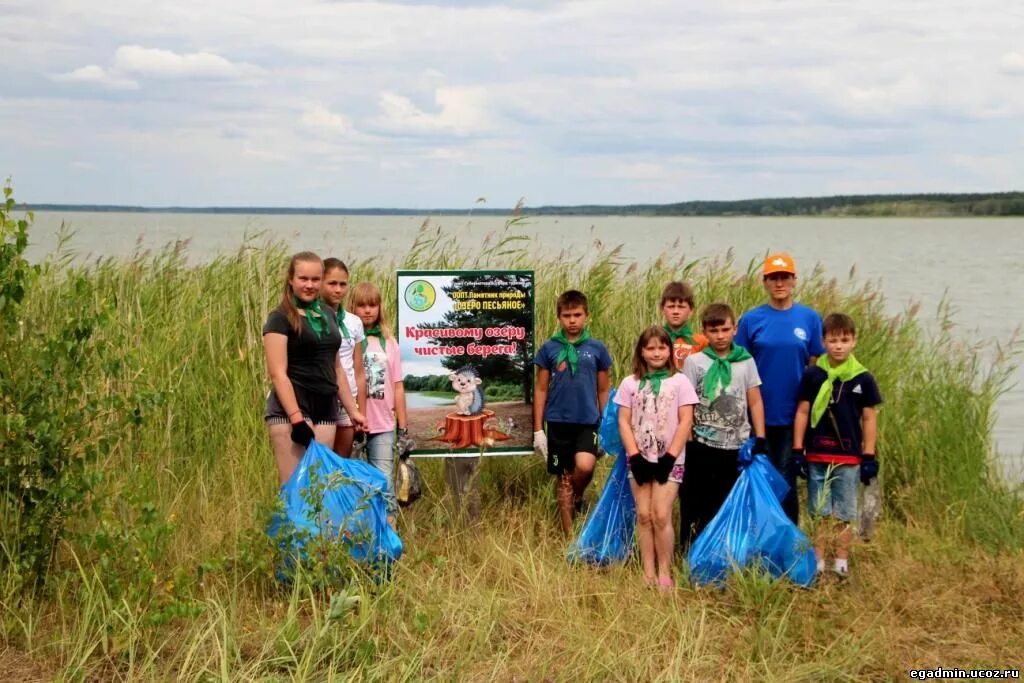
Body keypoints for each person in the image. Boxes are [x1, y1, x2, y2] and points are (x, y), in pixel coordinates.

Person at [735, 253, 825, 523]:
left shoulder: (809, 318)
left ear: (794, 280)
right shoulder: (752, 320)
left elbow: (813, 364)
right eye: (773, 278)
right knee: (759, 477)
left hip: (793, 416)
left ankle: (788, 541)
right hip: (757, 415)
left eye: (784, 277)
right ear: (765, 282)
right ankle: (759, 536)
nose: (779, 283)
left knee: (786, 479)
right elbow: (740, 365)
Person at [262, 252, 366, 485]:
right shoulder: (279, 318)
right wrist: (296, 419)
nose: (310, 285)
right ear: (291, 279)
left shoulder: (328, 314)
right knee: (296, 488)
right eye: (303, 279)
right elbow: (277, 373)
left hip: (325, 408)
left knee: (319, 489)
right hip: (291, 409)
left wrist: (353, 410)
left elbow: (337, 367)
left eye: (315, 279)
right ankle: (290, 524)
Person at [792, 313, 882, 578]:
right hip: (818, 454)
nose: (839, 346)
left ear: (854, 341)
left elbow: (868, 418)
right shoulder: (813, 374)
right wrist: (798, 450)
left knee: (844, 512)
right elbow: (802, 412)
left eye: (844, 340)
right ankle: (818, 562)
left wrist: (869, 455)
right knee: (820, 511)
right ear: (823, 342)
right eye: (833, 340)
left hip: (849, 457)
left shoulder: (863, 378)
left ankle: (841, 563)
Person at [616, 326, 697, 589]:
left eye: (662, 347)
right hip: (639, 458)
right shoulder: (630, 383)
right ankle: (647, 572)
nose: (656, 353)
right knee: (643, 514)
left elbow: (686, 421)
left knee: (661, 514)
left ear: (669, 350)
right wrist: (634, 455)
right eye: (650, 348)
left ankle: (665, 571)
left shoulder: (680, 381)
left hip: (670, 460)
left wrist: (670, 456)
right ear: (641, 351)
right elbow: (624, 421)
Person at [680, 303, 767, 548]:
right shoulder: (695, 362)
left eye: (725, 329)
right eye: (714, 330)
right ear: (704, 332)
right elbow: (686, 403)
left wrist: (760, 437)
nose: (720, 336)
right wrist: (687, 439)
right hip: (702, 443)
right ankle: (690, 548)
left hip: (735, 445)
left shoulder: (746, 361)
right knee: (695, 500)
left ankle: (723, 548)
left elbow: (755, 400)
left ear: (735, 329)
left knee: (725, 499)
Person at [533, 289, 612, 533]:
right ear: (559, 317)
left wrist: (606, 422)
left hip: (588, 421)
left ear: (587, 315)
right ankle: (569, 536)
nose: (572, 320)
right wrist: (538, 430)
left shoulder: (597, 348)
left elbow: (603, 389)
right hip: (557, 422)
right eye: (567, 315)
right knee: (563, 477)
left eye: (577, 314)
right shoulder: (549, 349)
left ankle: (577, 498)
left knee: (586, 466)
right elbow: (541, 389)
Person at [349, 281, 410, 518]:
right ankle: (356, 532)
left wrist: (403, 427)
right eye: (362, 305)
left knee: (383, 479)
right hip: (352, 423)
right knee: (353, 481)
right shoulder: (347, 341)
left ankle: (389, 533)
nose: (367, 310)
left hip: (383, 423)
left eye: (372, 305)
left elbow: (398, 387)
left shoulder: (389, 343)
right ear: (352, 307)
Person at [320, 258, 366, 457]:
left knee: (343, 462)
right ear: (320, 283)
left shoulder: (354, 322)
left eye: (342, 284)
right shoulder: (313, 318)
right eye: (332, 284)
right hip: (323, 398)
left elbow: (358, 370)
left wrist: (360, 411)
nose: (338, 290)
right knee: (322, 460)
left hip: (347, 403)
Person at [660, 281, 708, 370]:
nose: (676, 312)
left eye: (681, 307)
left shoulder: (701, 341)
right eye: (671, 306)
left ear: (691, 310)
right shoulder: (655, 339)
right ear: (662, 309)